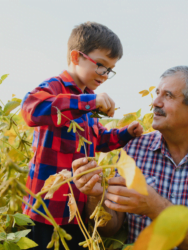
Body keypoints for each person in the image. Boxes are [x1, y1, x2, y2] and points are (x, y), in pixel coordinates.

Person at [72, 66, 188, 250]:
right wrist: (95, 196)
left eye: (168, 96)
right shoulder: (135, 148)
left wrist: (156, 207)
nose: (155, 102)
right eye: (157, 93)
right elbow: (111, 227)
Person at [21, 21, 143, 250]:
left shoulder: (87, 101)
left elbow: (99, 140)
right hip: (46, 209)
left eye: (110, 69)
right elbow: (30, 109)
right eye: (101, 65)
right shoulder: (56, 88)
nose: (105, 75)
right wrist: (88, 102)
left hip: (77, 208)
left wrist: (126, 133)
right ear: (76, 57)